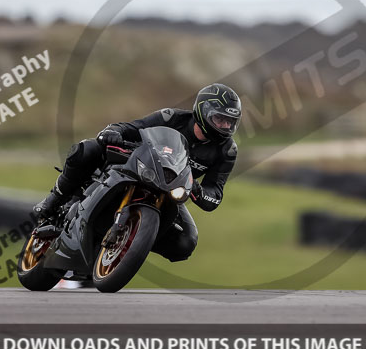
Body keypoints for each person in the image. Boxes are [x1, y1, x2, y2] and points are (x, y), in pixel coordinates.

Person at [33, 83, 241, 263]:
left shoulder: (227, 151)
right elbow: (133, 127)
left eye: (229, 122)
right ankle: (53, 200)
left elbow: (215, 193)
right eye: (219, 119)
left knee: (186, 242)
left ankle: (131, 242)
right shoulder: (171, 117)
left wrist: (196, 188)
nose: (225, 126)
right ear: (203, 112)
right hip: (139, 166)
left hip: (170, 189)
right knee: (87, 149)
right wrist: (113, 132)